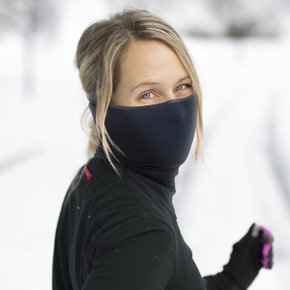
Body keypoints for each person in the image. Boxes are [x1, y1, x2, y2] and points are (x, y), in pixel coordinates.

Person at [52, 9, 274, 290]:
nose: (176, 110)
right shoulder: (143, 232)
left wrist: (232, 278)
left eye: (182, 86)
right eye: (147, 93)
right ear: (103, 110)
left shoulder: (92, 177)